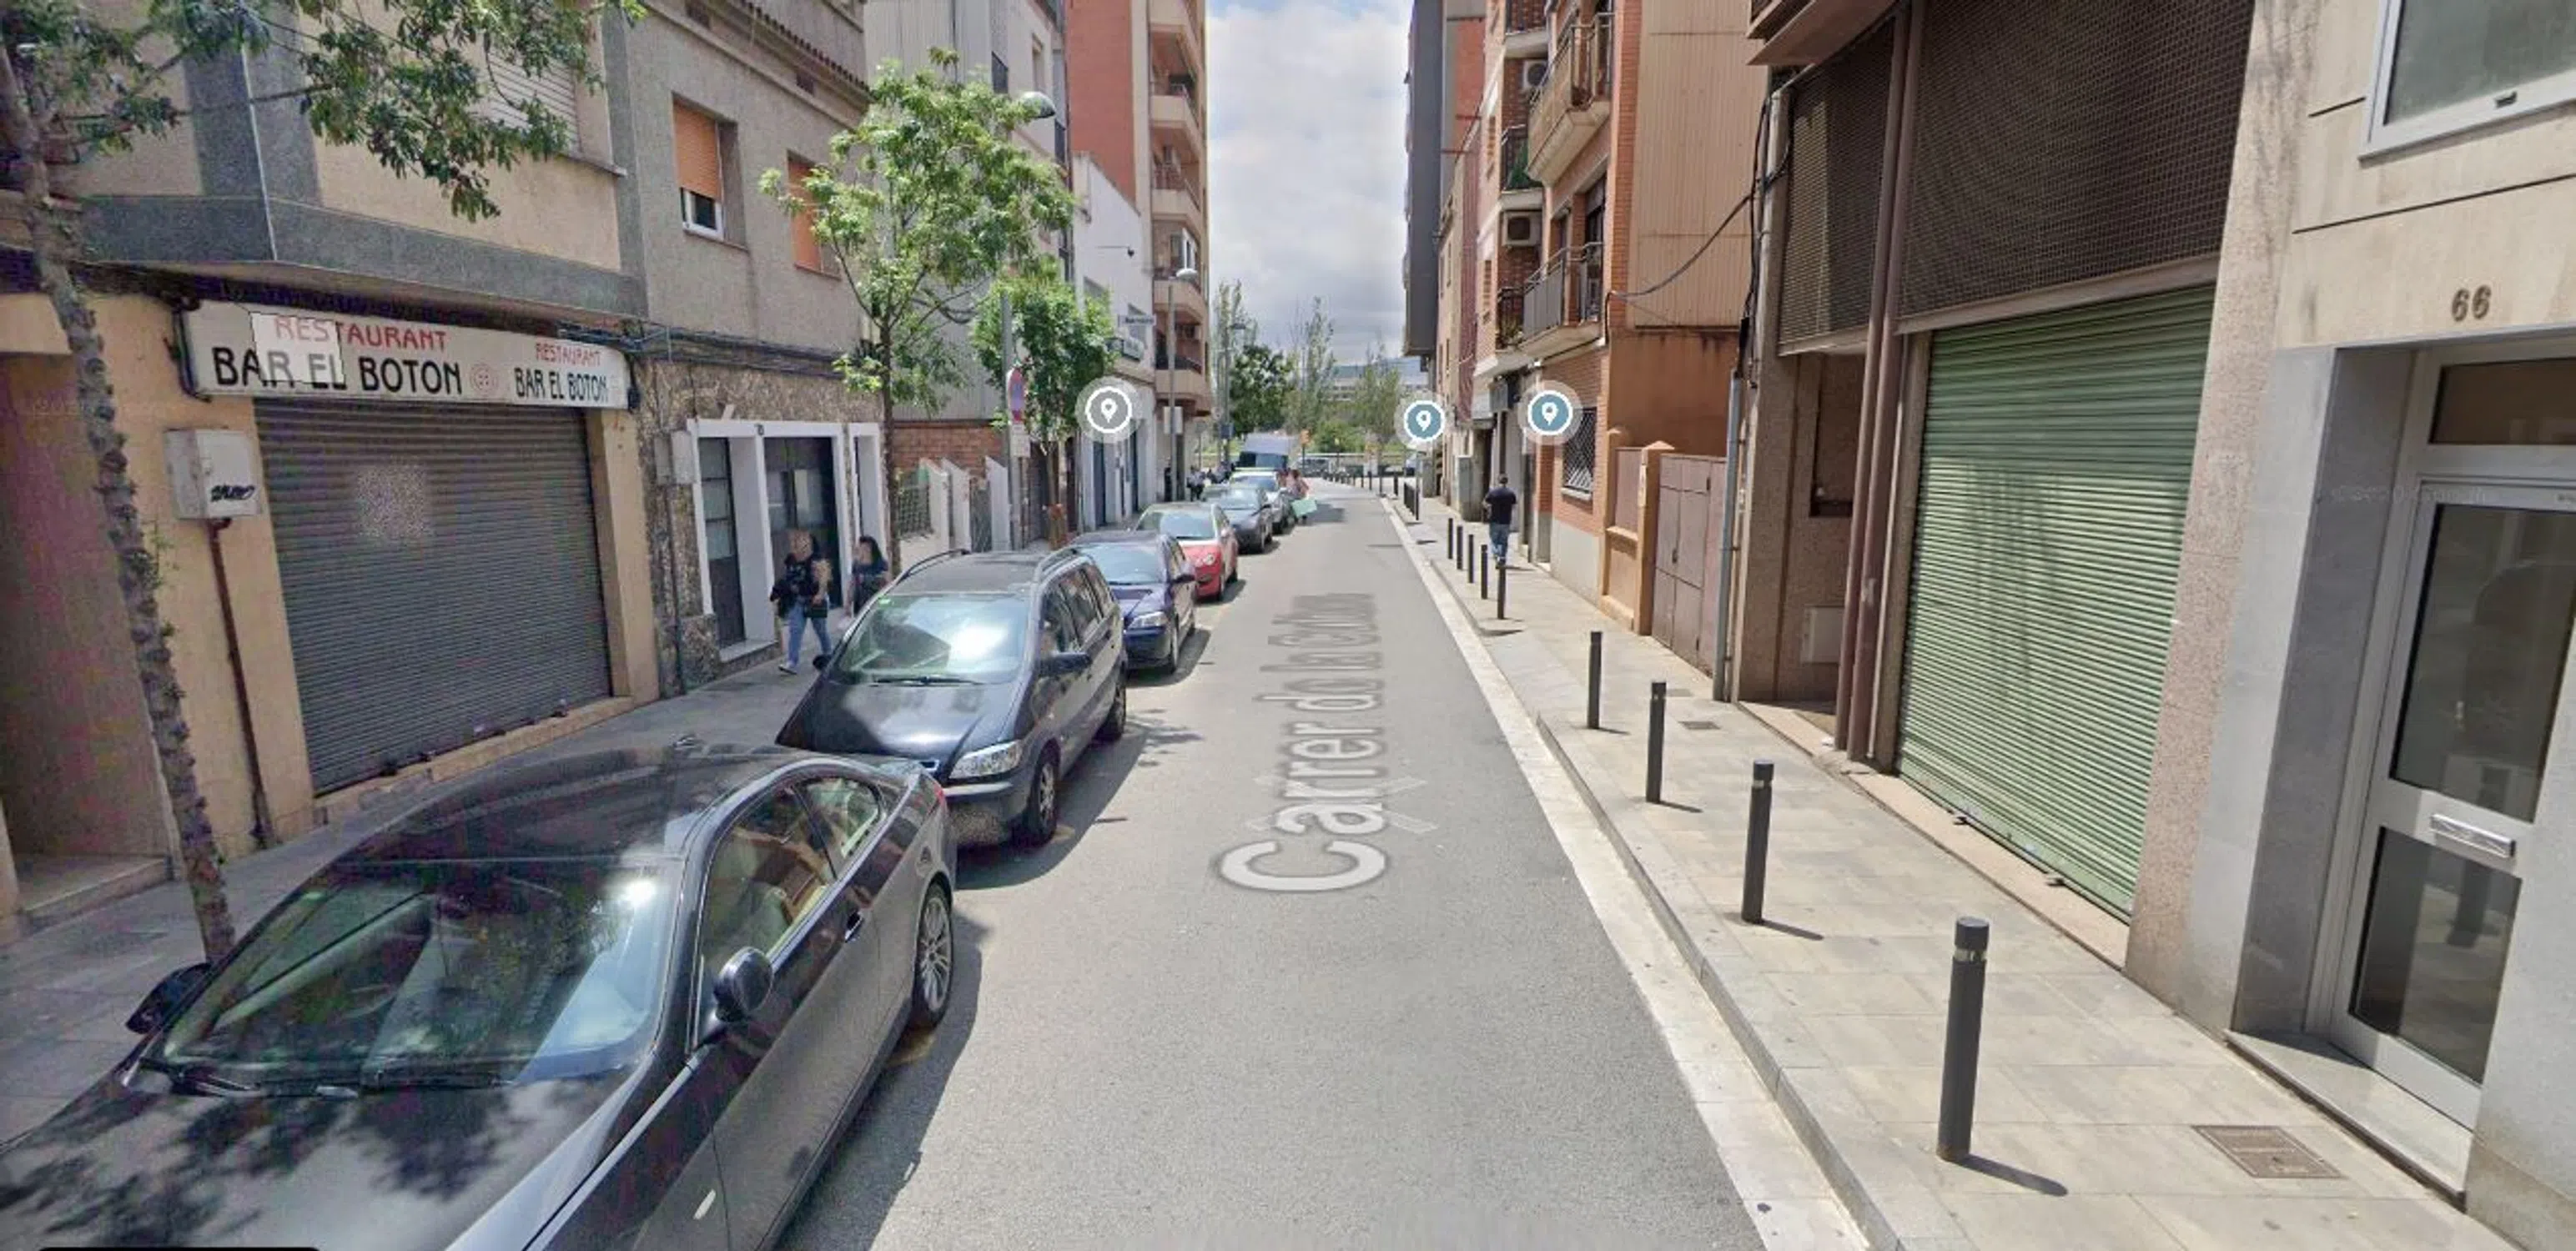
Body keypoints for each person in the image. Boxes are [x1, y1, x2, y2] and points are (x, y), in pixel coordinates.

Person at [770, 530, 833, 673]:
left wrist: (820, 594)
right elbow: (787, 577)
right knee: (796, 629)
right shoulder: (791, 559)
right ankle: (792, 661)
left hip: (814, 600)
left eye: (800, 540)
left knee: (820, 629)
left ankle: (829, 654)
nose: (796, 544)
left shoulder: (816, 558)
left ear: (808, 543)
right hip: (797, 600)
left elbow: (824, 577)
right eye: (795, 541)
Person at [1484, 478, 1517, 569]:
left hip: (1494, 520)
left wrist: (1490, 509)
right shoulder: (1511, 493)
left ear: (1498, 481)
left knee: (1494, 540)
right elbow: (1514, 507)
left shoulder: (1493, 492)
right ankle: (1502, 557)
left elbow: (1485, 503)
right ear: (1507, 482)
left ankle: (1496, 554)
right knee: (1503, 541)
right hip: (1506, 521)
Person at [850, 536, 891, 610]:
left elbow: (887, 582)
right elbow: (853, 584)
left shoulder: (881, 563)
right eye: (860, 547)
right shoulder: (856, 564)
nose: (858, 549)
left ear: (869, 548)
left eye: (861, 547)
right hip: (860, 603)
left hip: (877, 602)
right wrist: (848, 602)